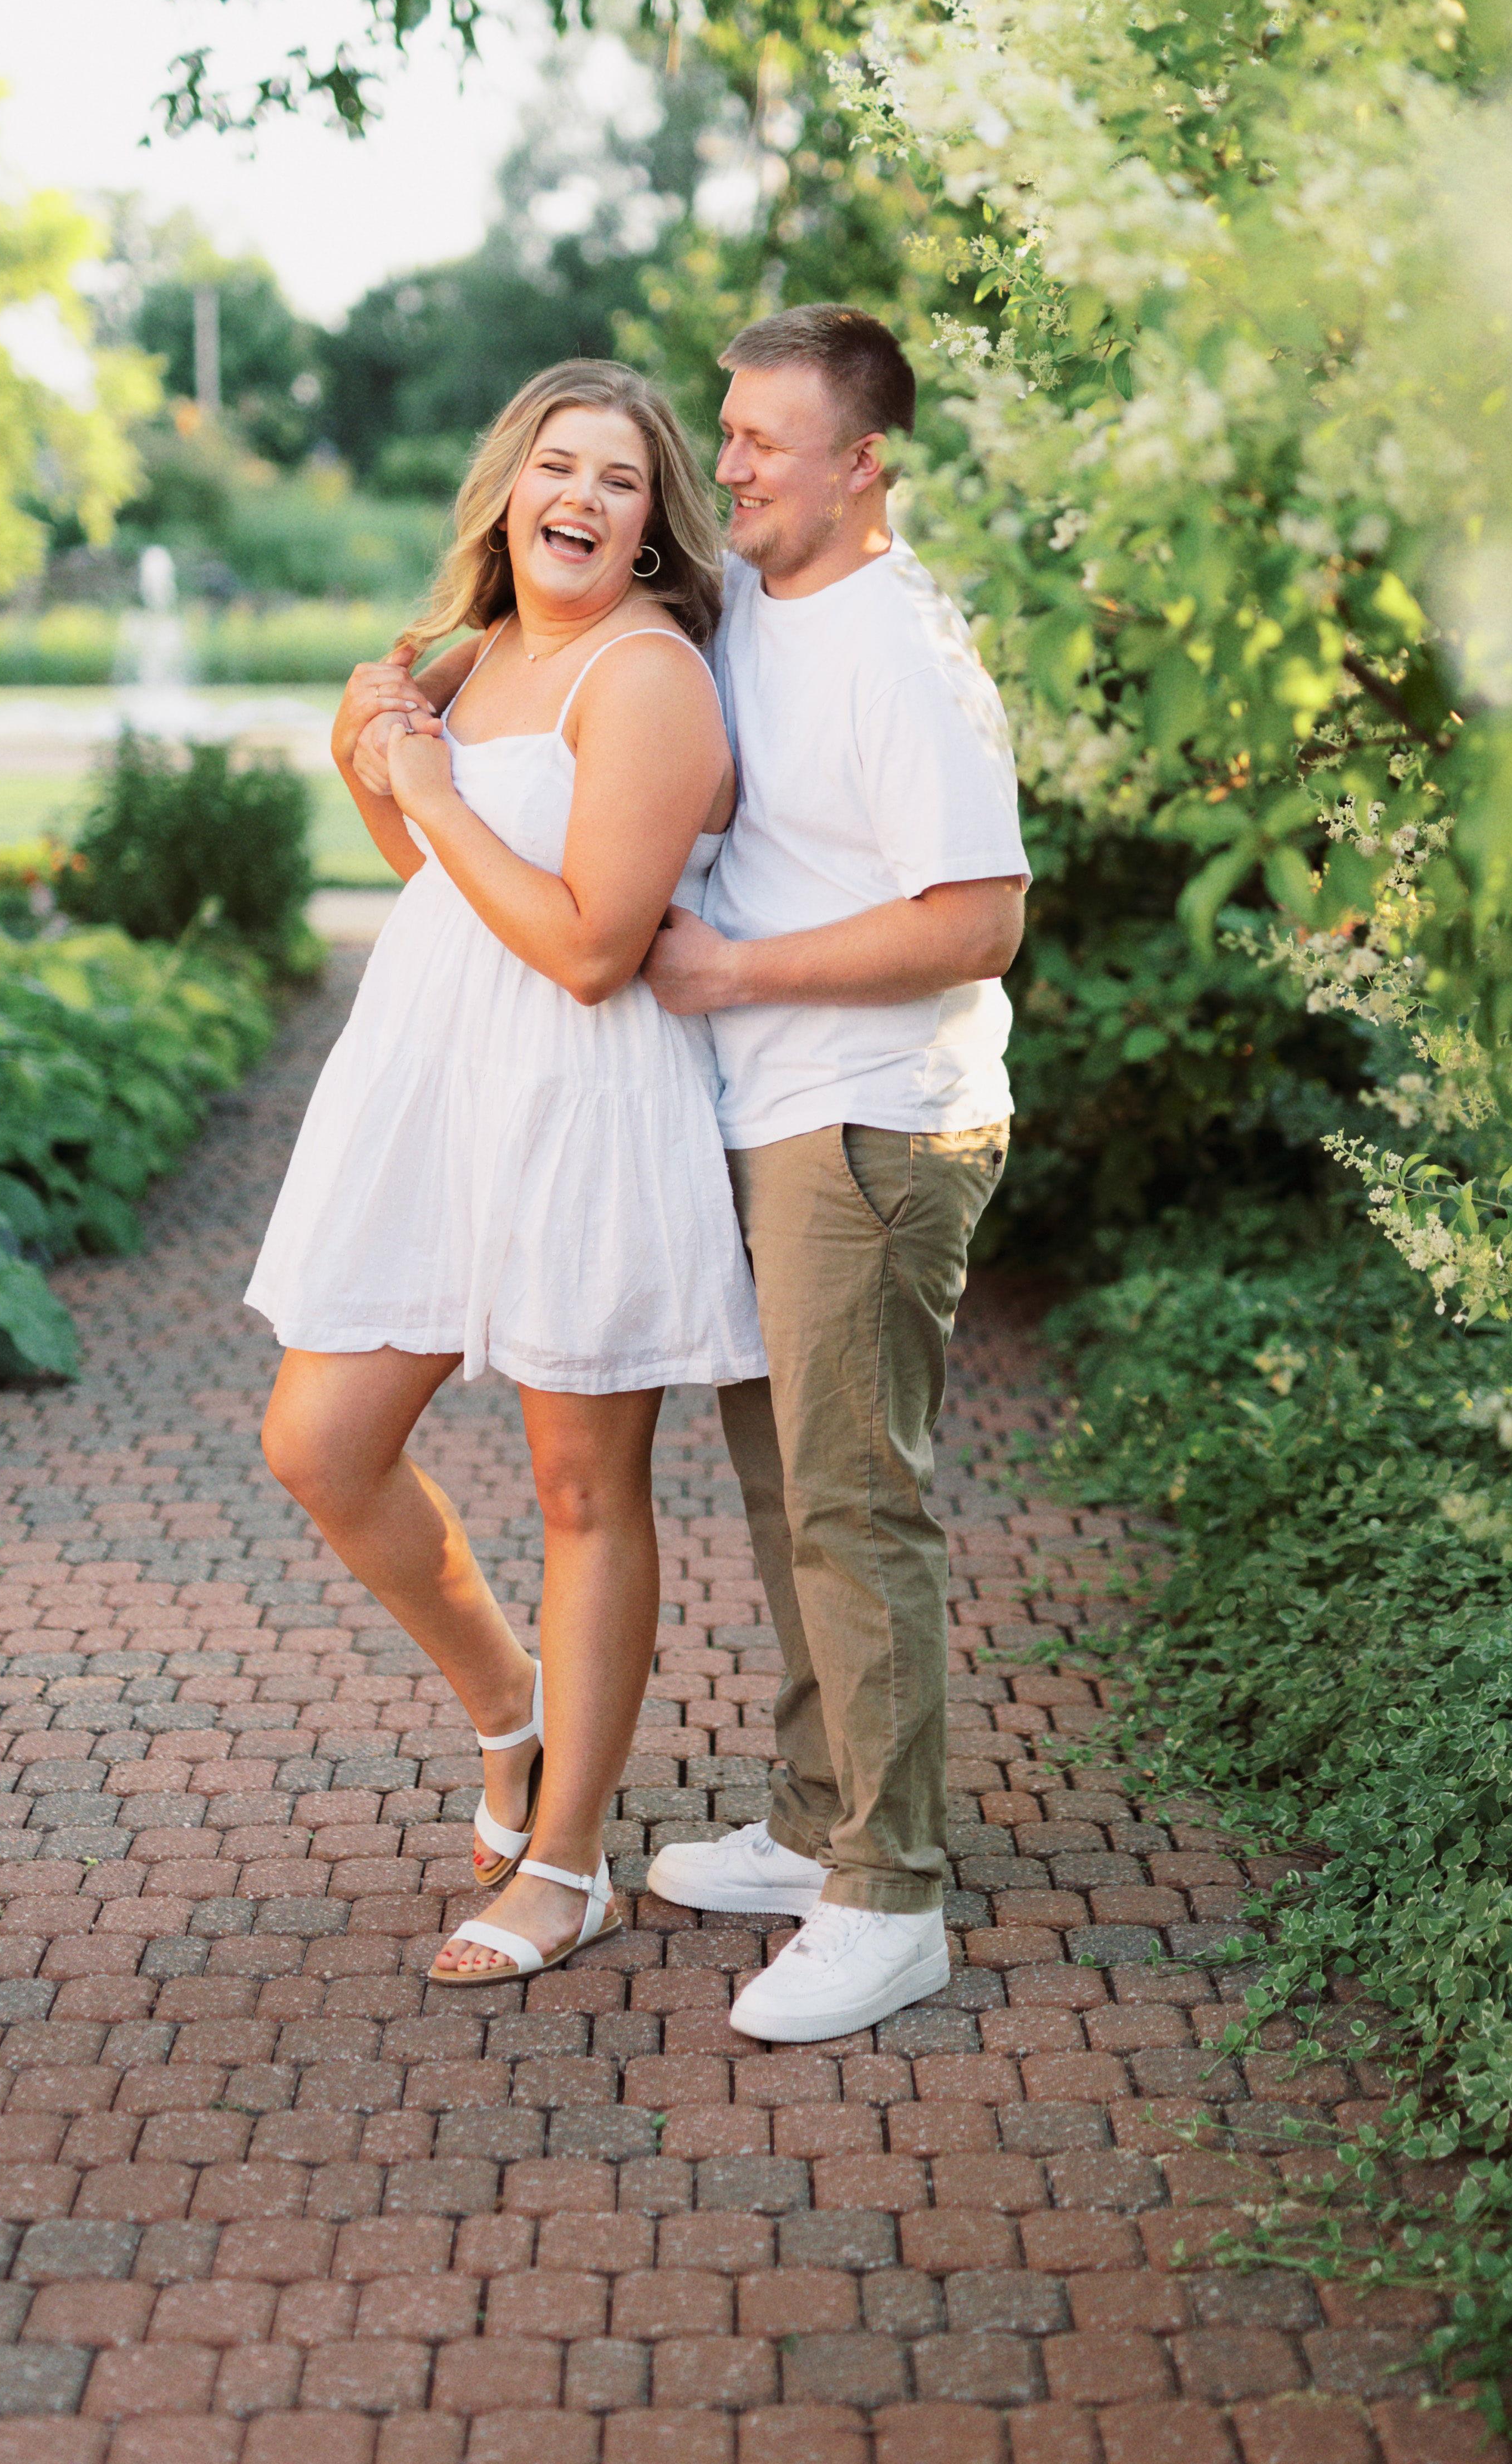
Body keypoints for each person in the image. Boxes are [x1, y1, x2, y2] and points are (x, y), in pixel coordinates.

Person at [245, 359, 762, 1988]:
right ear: (510, 488)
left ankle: (569, 1864)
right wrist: (372, 766)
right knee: (319, 1441)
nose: (582, 497)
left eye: (620, 477)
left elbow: (594, 949)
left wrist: (426, 784)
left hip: (582, 1095)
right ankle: (510, 1709)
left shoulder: (647, 676)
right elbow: (434, 877)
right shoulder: (472, 657)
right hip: (437, 1090)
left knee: (580, 1490)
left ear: (653, 525)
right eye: (558, 464)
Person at [638, 306, 1031, 2045]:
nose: (724, 463)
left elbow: (978, 919)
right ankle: (817, 1825)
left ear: (864, 465)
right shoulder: (753, 606)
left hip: (872, 1120)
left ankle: (892, 1898)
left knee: (857, 1509)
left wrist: (735, 970)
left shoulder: (904, 649)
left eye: (761, 441)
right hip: (770, 1111)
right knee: (791, 1496)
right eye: (724, 429)